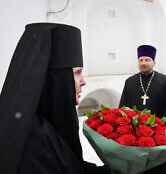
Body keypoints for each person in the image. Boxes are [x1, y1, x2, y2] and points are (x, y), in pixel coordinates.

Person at [0, 23, 110, 174]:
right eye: (77, 73)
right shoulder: (33, 141)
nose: (83, 81)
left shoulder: (44, 124)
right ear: (55, 80)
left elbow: (71, 167)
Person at [119, 45, 166, 118]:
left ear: (154, 62)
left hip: (158, 126)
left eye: (147, 60)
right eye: (141, 60)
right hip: (134, 127)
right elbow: (123, 106)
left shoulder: (164, 81)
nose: (143, 63)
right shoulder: (130, 81)